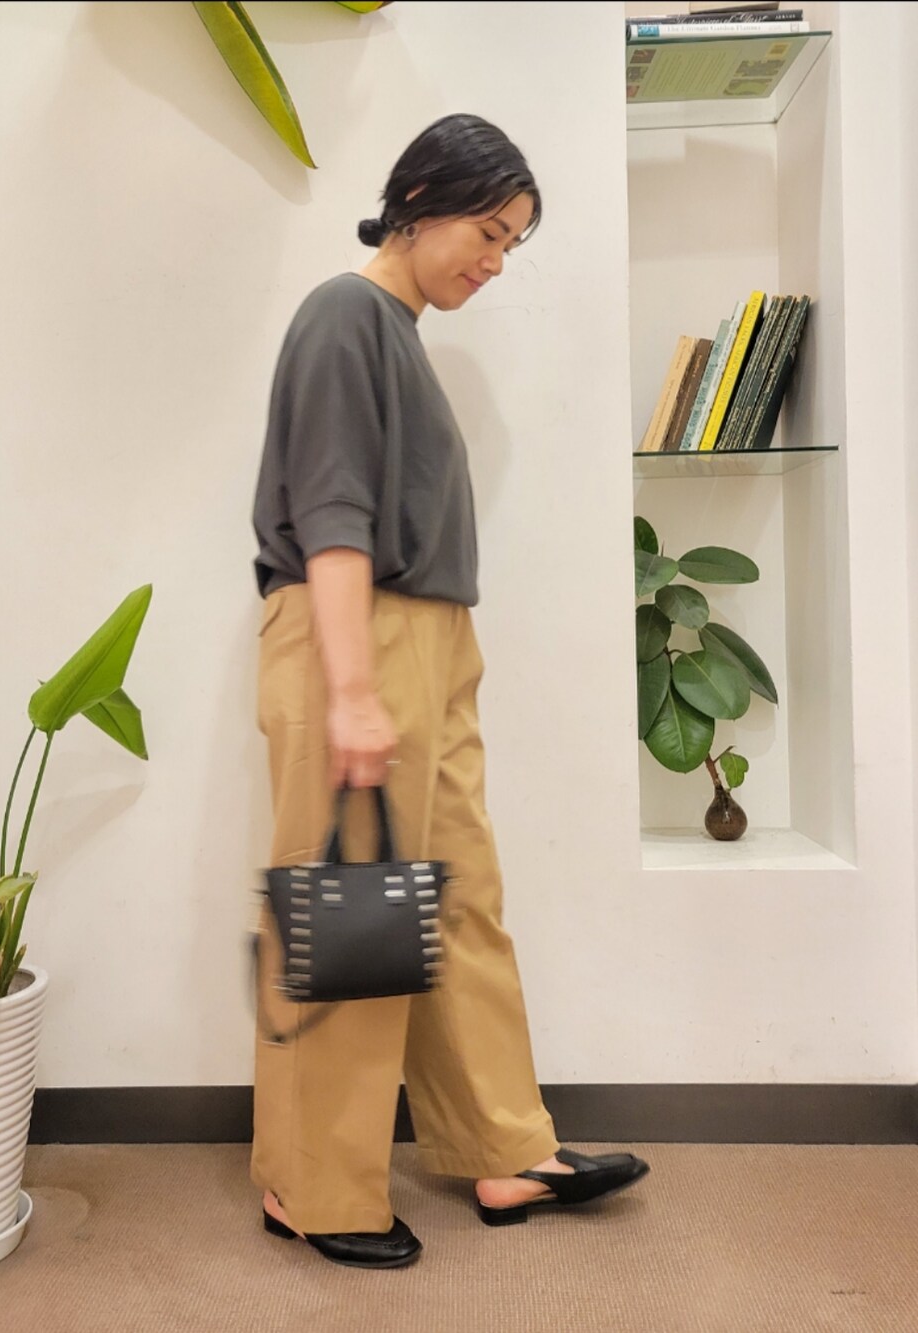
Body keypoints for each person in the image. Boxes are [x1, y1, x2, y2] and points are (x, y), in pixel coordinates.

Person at [250, 113, 649, 1270]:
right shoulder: (344, 314)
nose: (497, 260)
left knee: (458, 900)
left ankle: (502, 1146)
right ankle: (312, 1186)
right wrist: (352, 688)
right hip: (357, 633)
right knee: (350, 913)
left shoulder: (395, 332)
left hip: (427, 638)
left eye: (513, 243)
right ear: (418, 201)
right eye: (488, 231)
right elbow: (331, 510)